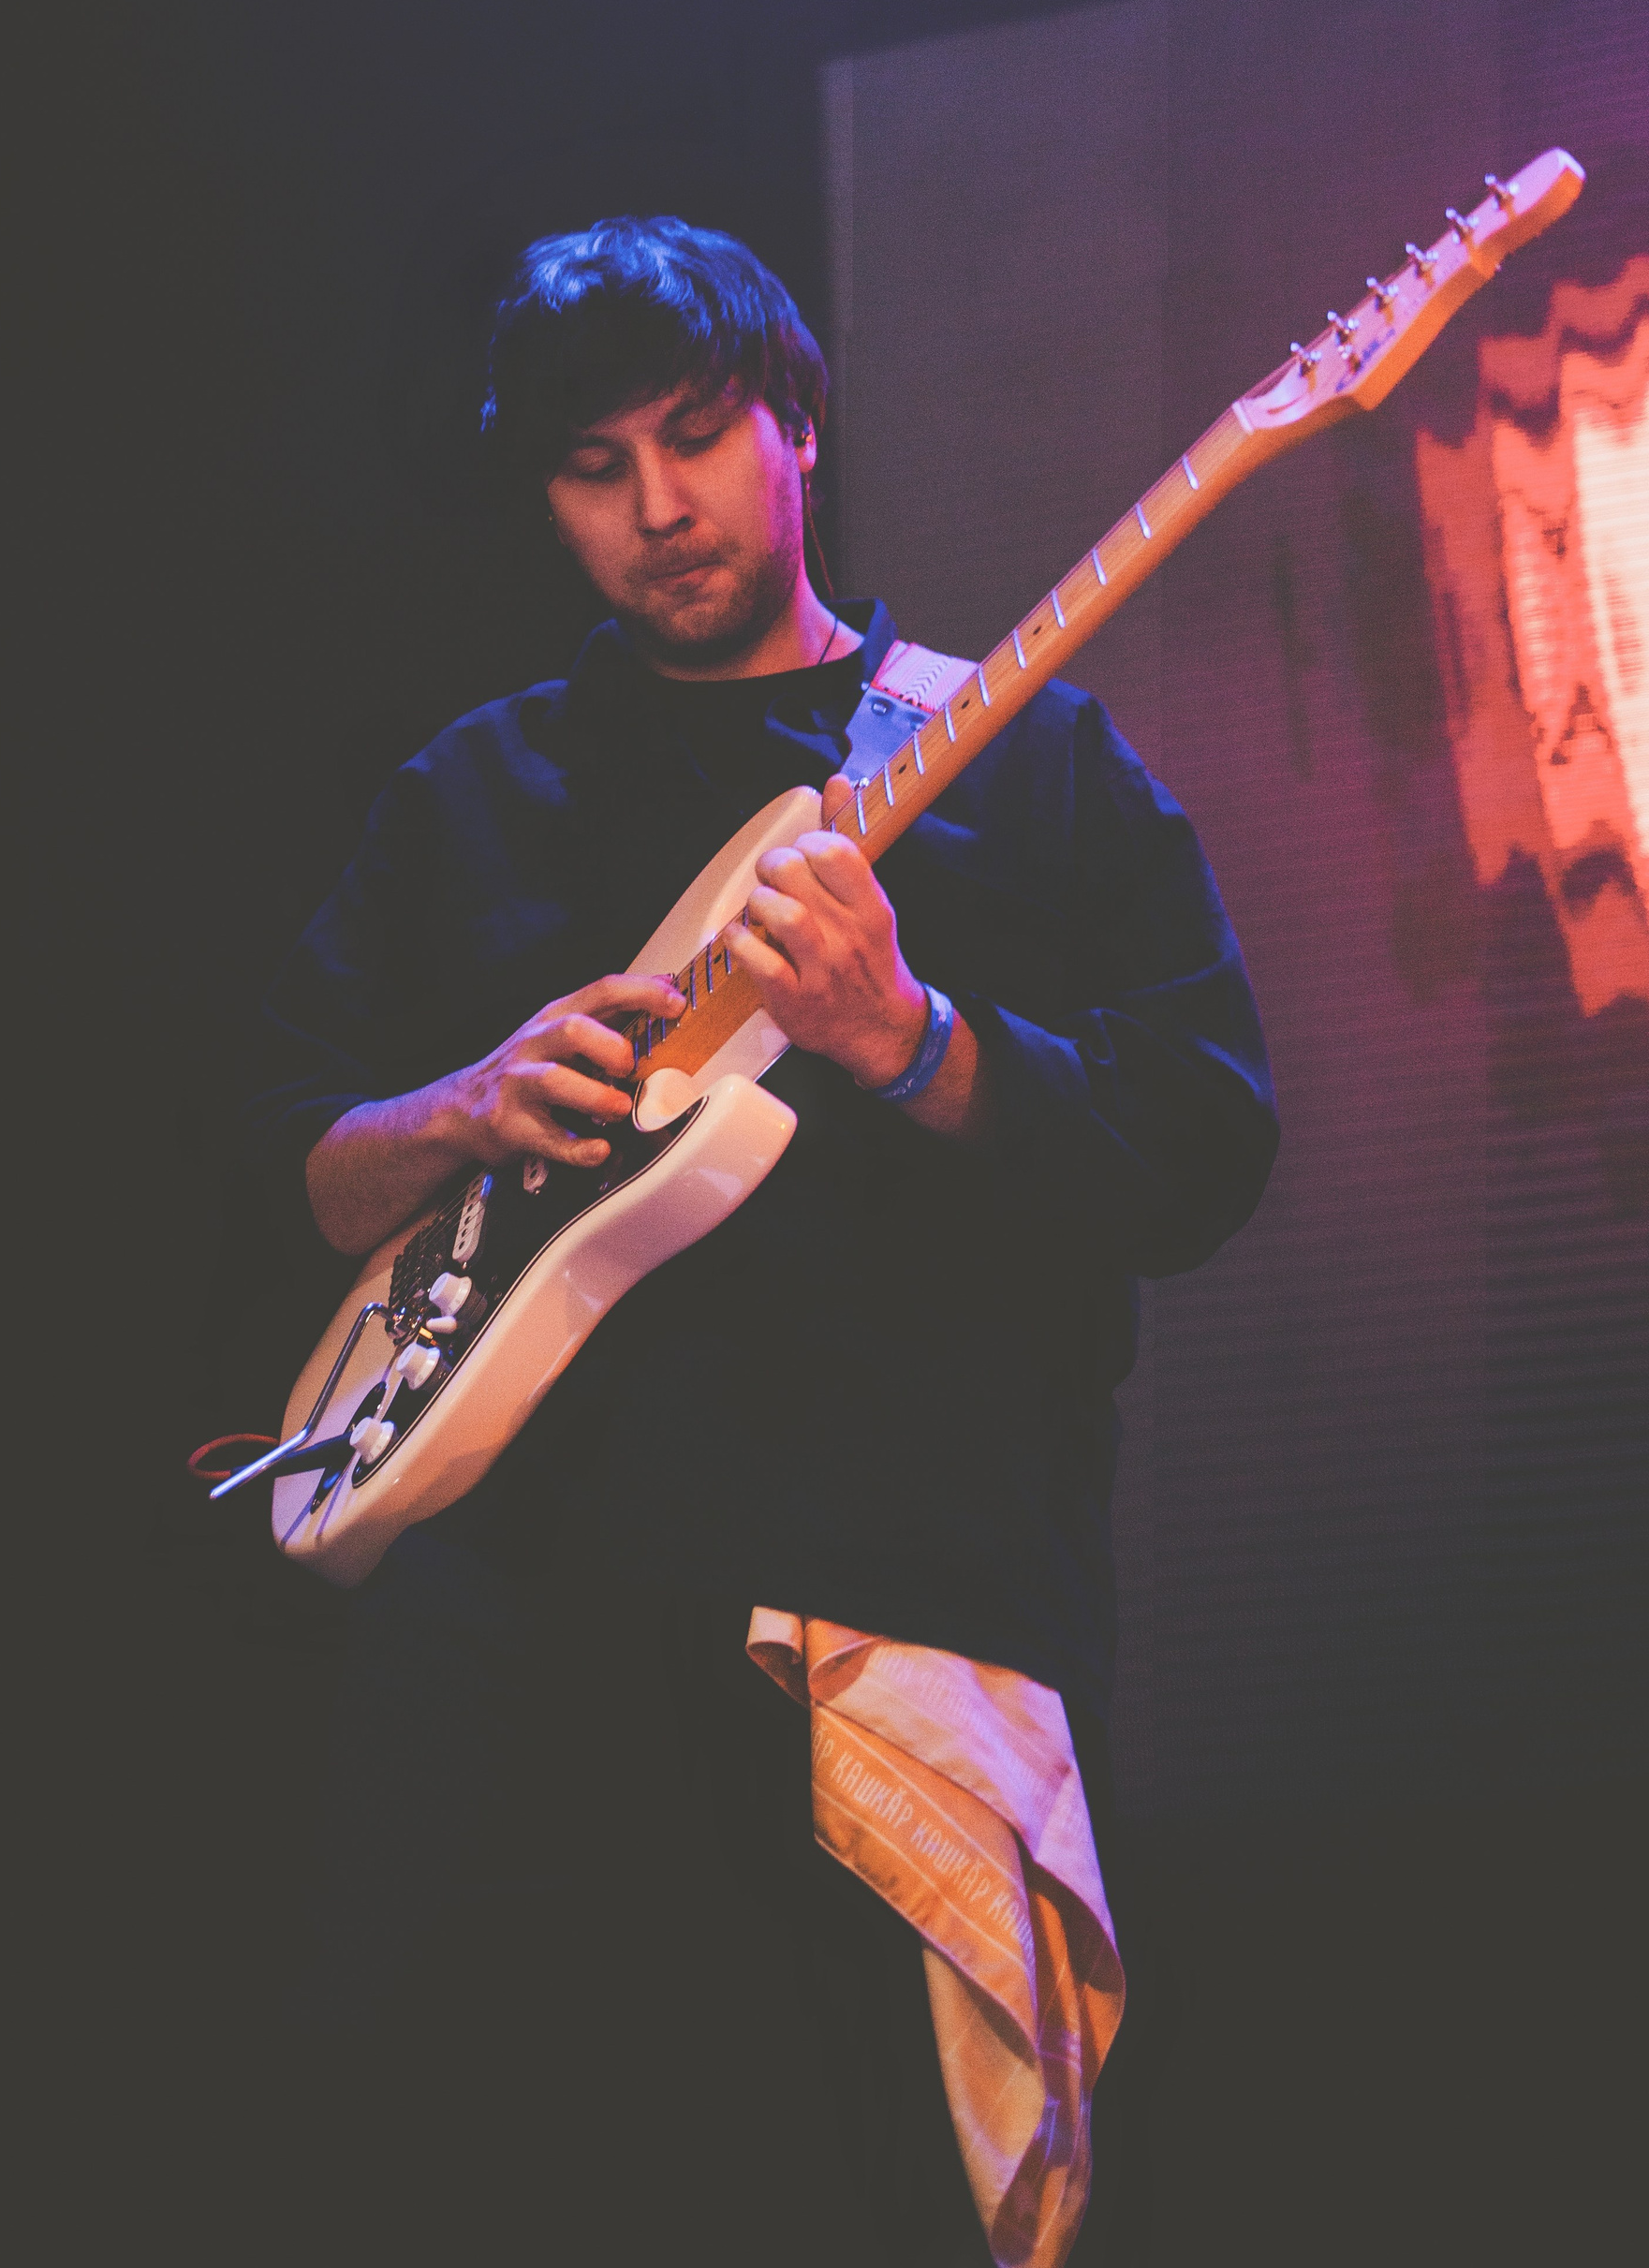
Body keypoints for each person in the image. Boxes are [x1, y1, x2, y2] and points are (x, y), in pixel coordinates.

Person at [244, 217, 1278, 2264]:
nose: (657, 507)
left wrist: (914, 1039)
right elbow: (280, 1163)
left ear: (799, 422)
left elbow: (1204, 1149)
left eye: (698, 435)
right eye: (593, 467)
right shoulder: (470, 798)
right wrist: (457, 1106)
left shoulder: (1027, 760)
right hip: (525, 1673)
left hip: (904, 1612)